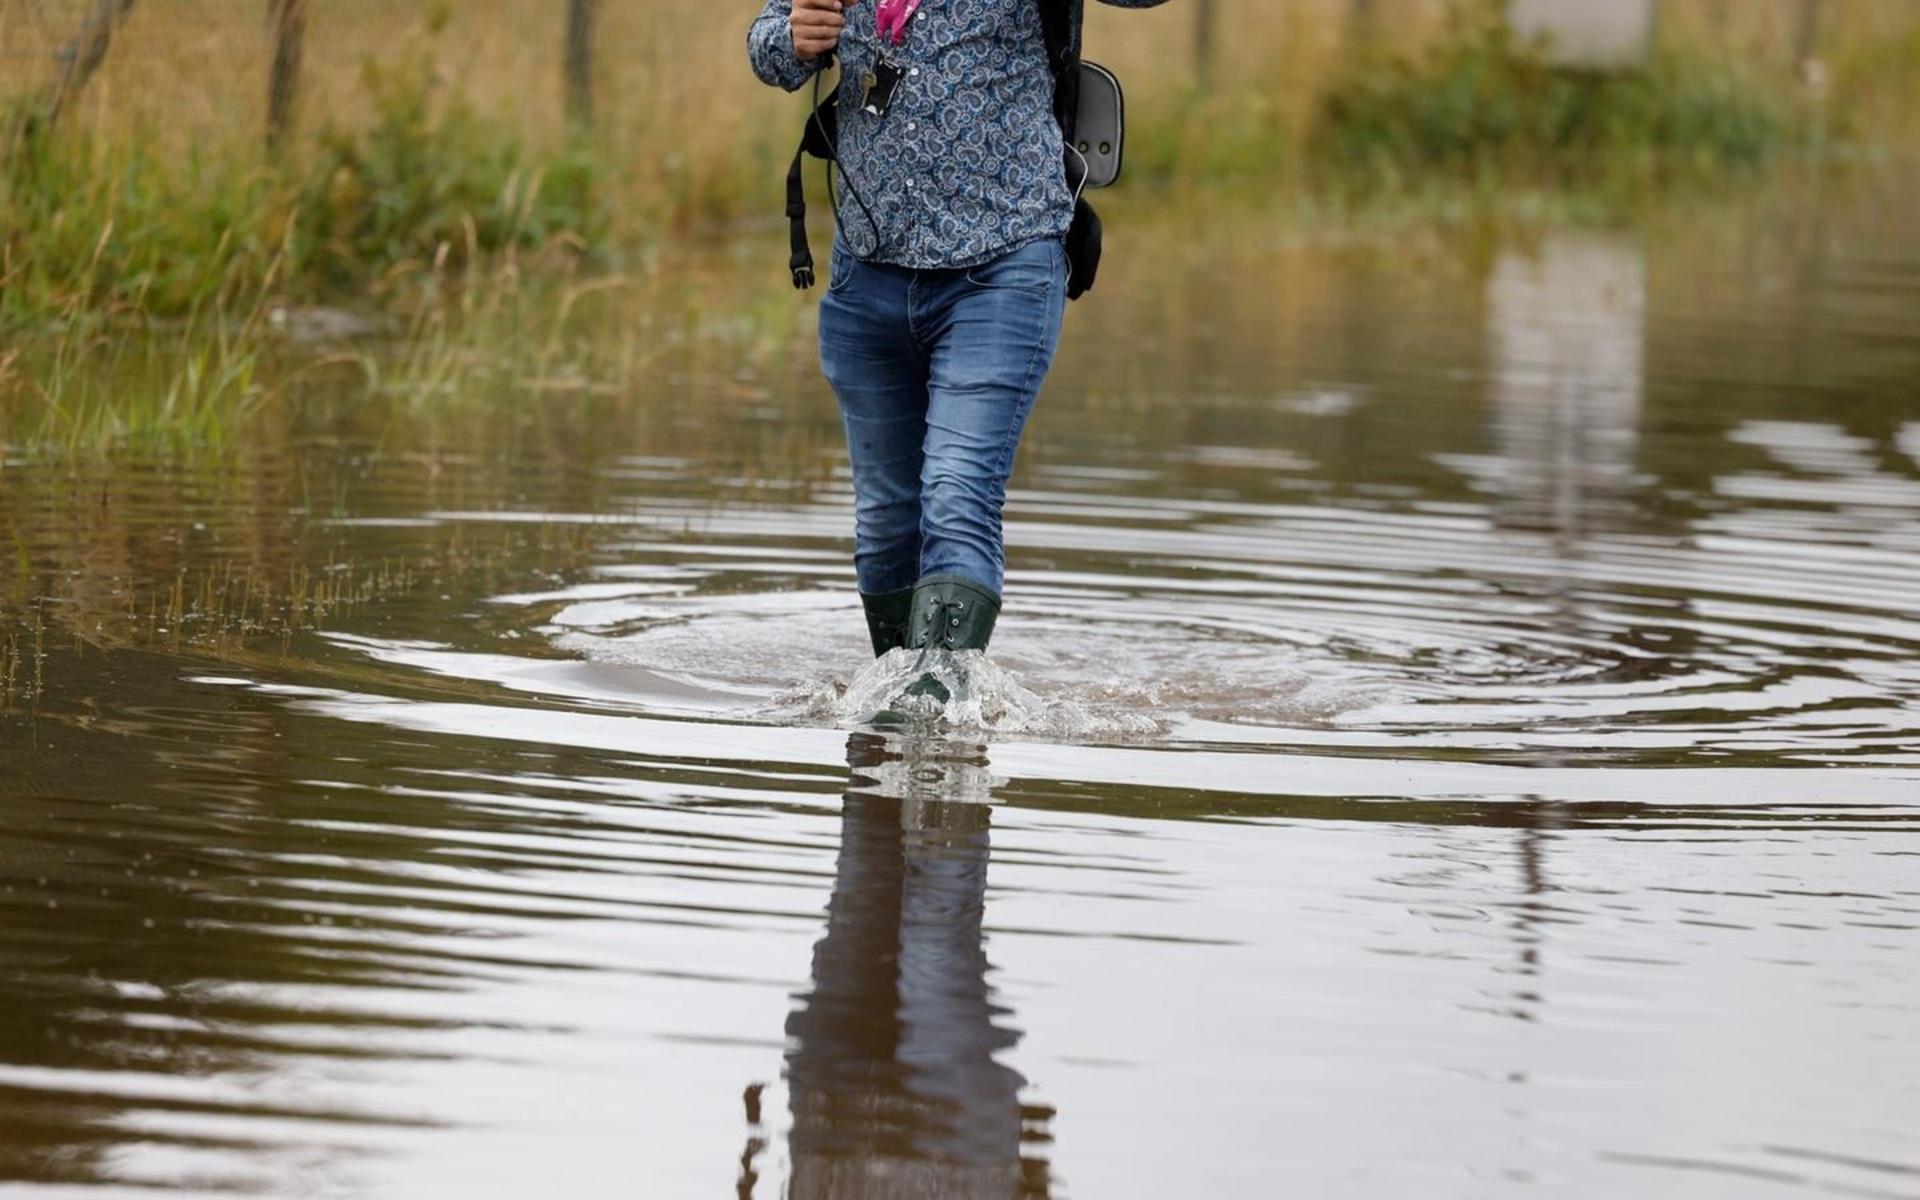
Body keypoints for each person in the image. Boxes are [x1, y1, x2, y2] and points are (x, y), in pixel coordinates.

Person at [748, 0, 1167, 702]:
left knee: (957, 496)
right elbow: (768, 45)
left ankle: (933, 717)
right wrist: (792, 40)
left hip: (1002, 269)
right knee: (886, 524)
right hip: (868, 274)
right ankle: (897, 726)